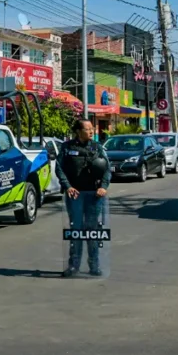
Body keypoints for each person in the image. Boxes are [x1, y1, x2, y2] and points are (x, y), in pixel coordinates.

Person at [56, 118, 111, 277]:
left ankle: (94, 265)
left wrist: (103, 187)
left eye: (92, 128)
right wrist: (68, 186)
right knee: (76, 231)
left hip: (94, 195)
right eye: (88, 129)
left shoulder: (97, 147)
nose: (92, 131)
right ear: (78, 132)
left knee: (92, 231)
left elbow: (107, 169)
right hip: (75, 195)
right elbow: (59, 169)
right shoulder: (67, 148)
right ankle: (74, 266)